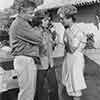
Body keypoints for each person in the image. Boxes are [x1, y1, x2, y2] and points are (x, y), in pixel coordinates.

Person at [8, 1, 43, 100]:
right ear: (22, 12)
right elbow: (39, 39)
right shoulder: (20, 23)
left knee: (29, 92)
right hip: (24, 60)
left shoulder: (23, 22)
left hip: (25, 59)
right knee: (27, 93)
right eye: (30, 13)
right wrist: (38, 28)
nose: (32, 16)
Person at [57, 5, 87, 100]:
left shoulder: (77, 30)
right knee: (69, 83)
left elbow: (72, 49)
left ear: (69, 18)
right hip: (69, 58)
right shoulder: (68, 30)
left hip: (76, 60)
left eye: (62, 19)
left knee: (75, 85)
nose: (61, 21)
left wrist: (68, 36)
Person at [34, 10, 58, 100]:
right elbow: (35, 50)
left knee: (54, 88)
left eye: (48, 20)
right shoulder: (34, 33)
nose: (48, 22)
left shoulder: (48, 32)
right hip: (40, 66)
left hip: (50, 64)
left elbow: (51, 48)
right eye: (45, 20)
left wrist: (53, 43)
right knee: (40, 90)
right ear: (39, 20)